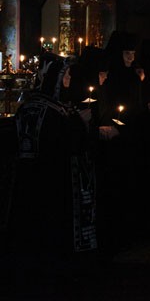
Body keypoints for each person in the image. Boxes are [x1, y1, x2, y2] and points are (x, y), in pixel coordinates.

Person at [10, 53, 99, 257]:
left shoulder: (27, 107)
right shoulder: (56, 112)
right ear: (55, 79)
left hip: (26, 178)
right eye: (65, 75)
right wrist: (81, 122)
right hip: (53, 181)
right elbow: (70, 145)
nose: (69, 79)